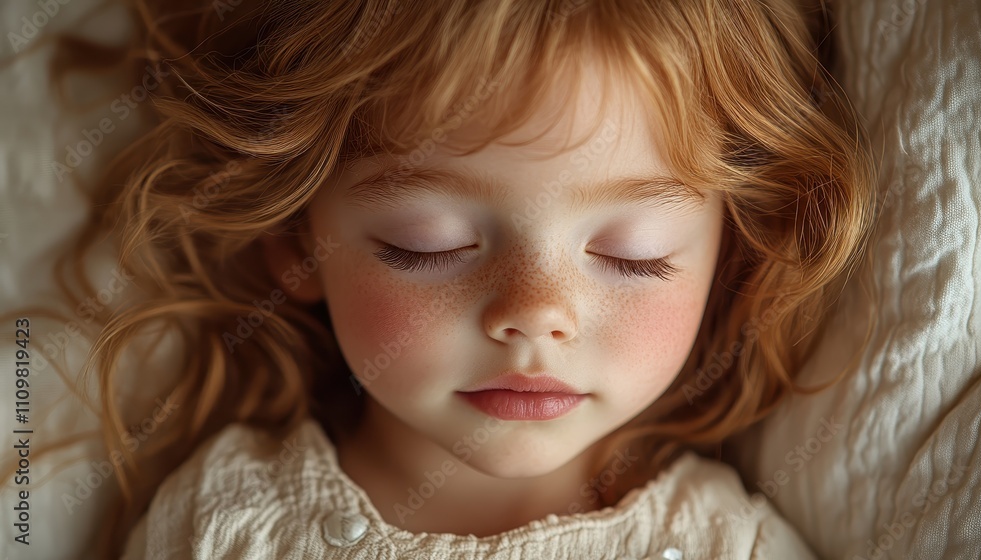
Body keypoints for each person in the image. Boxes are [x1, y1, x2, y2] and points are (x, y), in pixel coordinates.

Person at [6, 0, 878, 557]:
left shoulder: (729, 545)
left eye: (633, 252)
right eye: (427, 243)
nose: (535, 314)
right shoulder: (224, 522)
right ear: (292, 241)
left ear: (730, 253)